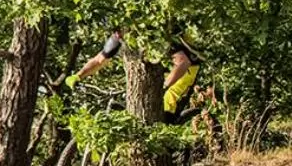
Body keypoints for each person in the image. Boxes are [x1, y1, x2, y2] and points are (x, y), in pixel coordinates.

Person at [66, 28, 203, 120]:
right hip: (157, 73)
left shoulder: (156, 35)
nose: (121, 36)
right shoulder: (117, 38)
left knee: (166, 109)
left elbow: (183, 63)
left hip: (184, 71)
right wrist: (78, 76)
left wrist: (165, 86)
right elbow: (99, 60)